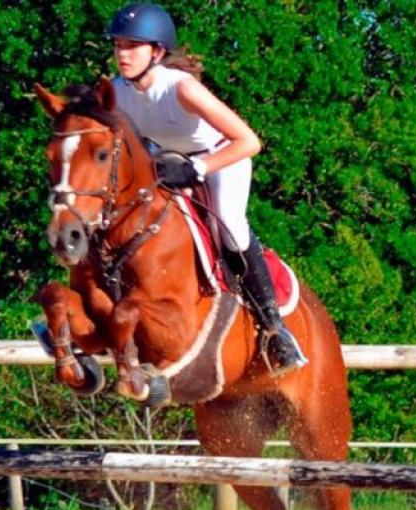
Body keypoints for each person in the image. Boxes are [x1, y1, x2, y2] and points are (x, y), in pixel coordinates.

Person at [108, 2, 307, 374]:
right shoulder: (116, 92)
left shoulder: (182, 89)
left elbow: (248, 141)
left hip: (219, 158)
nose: (122, 54)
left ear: (157, 52)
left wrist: (197, 168)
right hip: (165, 164)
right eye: (118, 45)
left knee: (229, 224)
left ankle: (274, 329)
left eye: (132, 46)